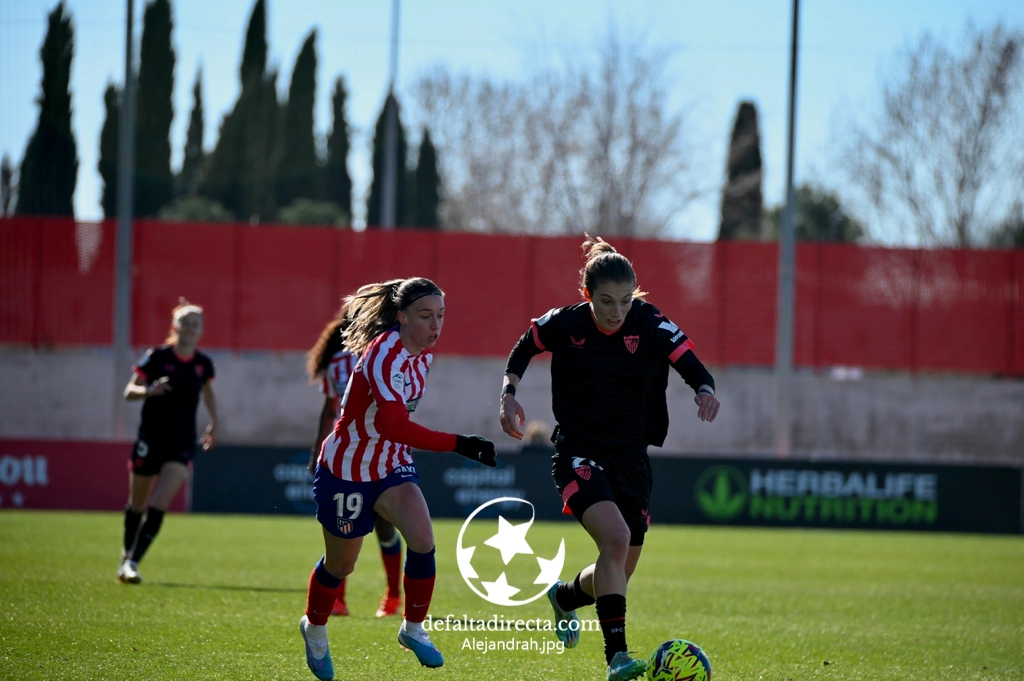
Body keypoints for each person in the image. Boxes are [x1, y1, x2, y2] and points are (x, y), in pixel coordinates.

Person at [498, 235, 721, 681]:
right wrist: (508, 394)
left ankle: (564, 596)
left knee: (618, 568)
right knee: (615, 541)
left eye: (624, 301)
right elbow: (524, 346)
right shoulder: (566, 322)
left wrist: (704, 389)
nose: (616, 311)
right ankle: (617, 658)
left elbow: (692, 364)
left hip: (632, 459)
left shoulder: (650, 322)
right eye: (606, 301)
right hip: (577, 451)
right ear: (587, 294)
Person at [299, 277, 498, 681]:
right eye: (425, 316)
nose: (435, 325)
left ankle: (413, 628)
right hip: (347, 469)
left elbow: (394, 432)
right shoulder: (384, 354)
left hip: (390, 463)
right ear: (402, 316)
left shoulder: (422, 353)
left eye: (440, 316)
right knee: (341, 565)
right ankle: (314, 628)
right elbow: (392, 425)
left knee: (423, 539)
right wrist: (459, 443)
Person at [306, 302, 403, 619]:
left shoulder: (383, 355)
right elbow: (329, 410)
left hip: (372, 454)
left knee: (369, 528)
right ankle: (352, 599)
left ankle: (389, 596)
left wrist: (316, 453)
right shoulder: (356, 360)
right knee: (354, 529)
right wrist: (317, 452)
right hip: (355, 455)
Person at [118, 297, 219, 584]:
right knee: (137, 505)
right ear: (175, 326)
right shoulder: (157, 357)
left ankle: (133, 563)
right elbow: (129, 392)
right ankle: (125, 554)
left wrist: (214, 421)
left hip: (182, 442)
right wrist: (149, 390)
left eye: (195, 324)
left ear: (201, 330)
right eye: (185, 323)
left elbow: (208, 392)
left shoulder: (203, 364)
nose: (190, 328)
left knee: (160, 503)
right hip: (150, 439)